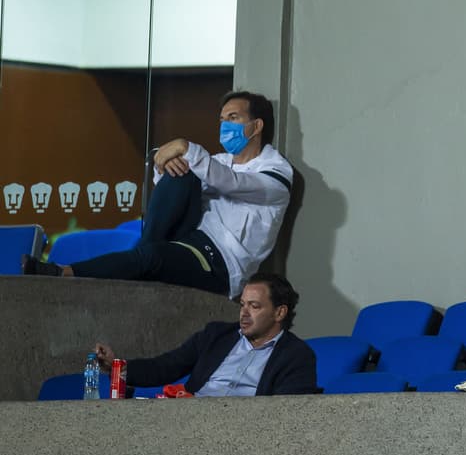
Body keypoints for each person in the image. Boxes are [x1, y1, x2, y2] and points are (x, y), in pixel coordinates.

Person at [23, 91, 293, 299]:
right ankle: (144, 251)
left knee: (150, 256)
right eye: (222, 120)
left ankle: (63, 272)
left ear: (256, 126)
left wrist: (182, 146)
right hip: (190, 238)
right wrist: (163, 164)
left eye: (233, 118)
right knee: (184, 171)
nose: (224, 126)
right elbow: (179, 184)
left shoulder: (275, 173)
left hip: (221, 264)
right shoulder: (220, 160)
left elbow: (232, 183)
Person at [94, 272, 317, 396]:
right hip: (188, 420)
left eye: (255, 306)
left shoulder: (296, 356)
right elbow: (166, 366)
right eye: (242, 305)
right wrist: (117, 365)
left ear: (279, 312)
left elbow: (285, 416)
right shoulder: (216, 335)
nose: (244, 314)